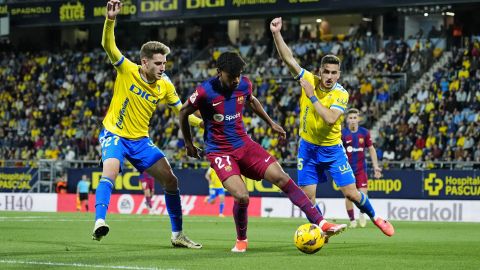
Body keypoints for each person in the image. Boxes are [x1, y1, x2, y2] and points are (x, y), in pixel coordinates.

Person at [179, 52, 346, 253]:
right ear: (219, 72)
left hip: (244, 144)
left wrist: (271, 123)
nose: (236, 80)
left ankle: (322, 223)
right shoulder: (205, 91)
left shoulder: (244, 84)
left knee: (282, 177)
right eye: (232, 76)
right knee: (242, 196)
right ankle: (242, 240)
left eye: (239, 75)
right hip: (219, 151)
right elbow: (183, 112)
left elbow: (252, 100)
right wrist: (188, 143)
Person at [93, 0, 203, 249]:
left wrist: (203, 123)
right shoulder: (127, 70)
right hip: (115, 134)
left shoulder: (165, 84)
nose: (163, 68)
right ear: (144, 62)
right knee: (110, 171)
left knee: (171, 180)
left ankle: (178, 235)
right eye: (158, 63)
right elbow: (108, 46)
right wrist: (110, 21)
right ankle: (99, 221)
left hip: (140, 140)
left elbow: (181, 110)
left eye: (164, 63)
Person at [270, 17, 394, 237]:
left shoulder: (341, 93)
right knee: (308, 198)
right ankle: (321, 229)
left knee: (352, 193)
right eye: (326, 72)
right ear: (320, 71)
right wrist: (276, 33)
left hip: (332, 149)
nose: (329, 76)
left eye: (333, 73)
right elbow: (288, 59)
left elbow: (329, 118)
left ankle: (376, 217)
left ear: (339, 74)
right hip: (307, 148)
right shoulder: (308, 78)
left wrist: (312, 96)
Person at [341, 108, 382, 228]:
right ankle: (352, 220)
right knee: (349, 195)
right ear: (347, 119)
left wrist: (376, 167)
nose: (353, 120)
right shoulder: (343, 134)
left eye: (355, 118)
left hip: (361, 169)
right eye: (351, 118)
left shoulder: (364, 133)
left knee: (363, 193)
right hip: (347, 170)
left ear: (358, 119)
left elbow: (371, 149)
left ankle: (362, 213)